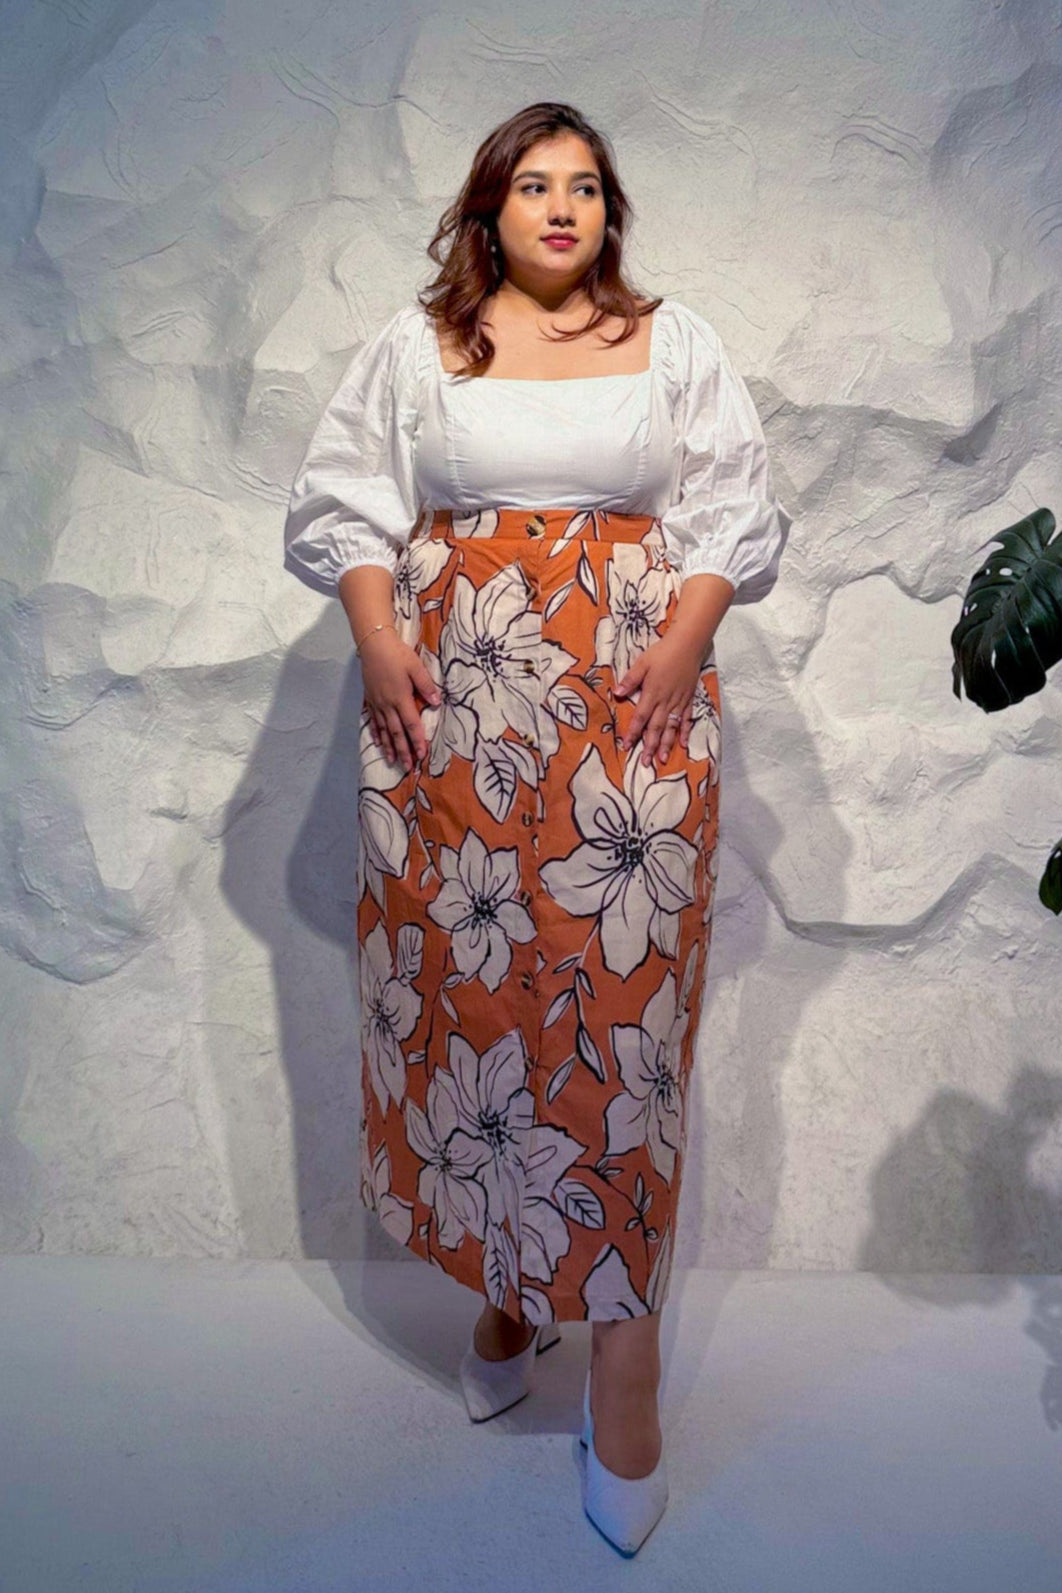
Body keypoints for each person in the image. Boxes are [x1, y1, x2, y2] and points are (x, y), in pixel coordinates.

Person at [282, 100, 792, 1557]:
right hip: (453, 720)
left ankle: (622, 1371)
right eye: (531, 184)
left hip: (630, 709)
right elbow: (347, 503)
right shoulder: (420, 346)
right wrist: (379, 639)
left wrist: (685, 641)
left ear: (608, 210)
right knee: (482, 1006)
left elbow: (732, 508)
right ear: (487, 208)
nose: (561, 206)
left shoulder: (670, 344)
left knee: (623, 1026)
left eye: (584, 185)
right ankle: (512, 1289)